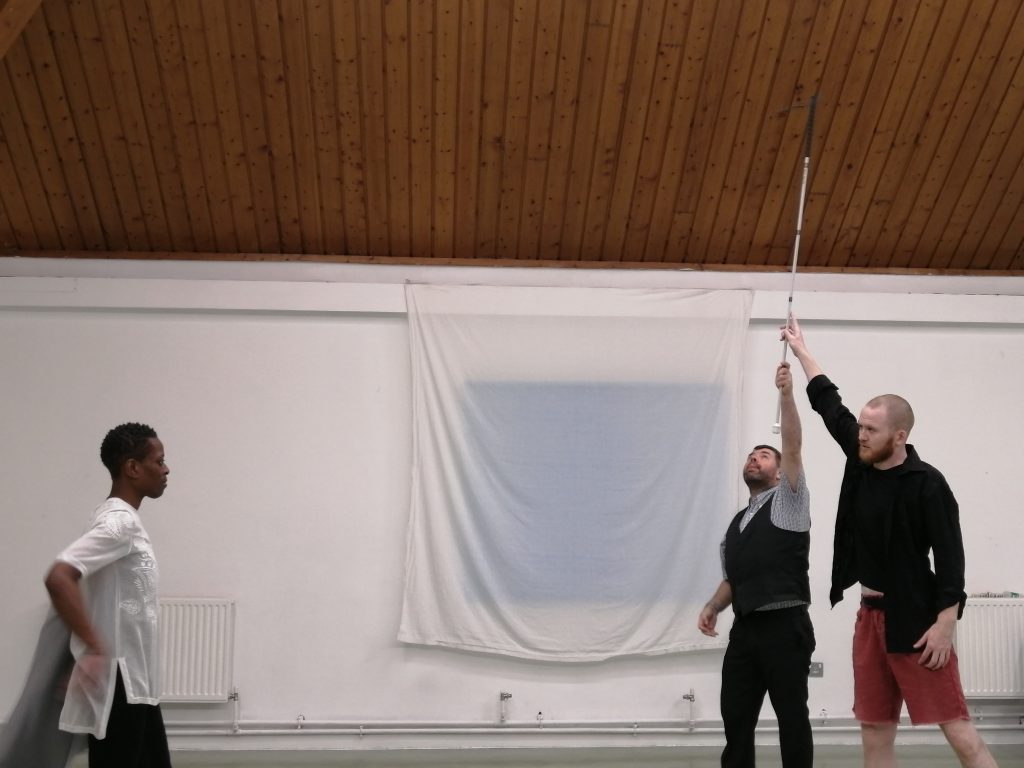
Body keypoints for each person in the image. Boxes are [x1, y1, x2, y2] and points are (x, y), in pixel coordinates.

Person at [782, 317, 997, 768]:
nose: (860, 435)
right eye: (860, 427)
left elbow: (952, 563)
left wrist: (944, 625)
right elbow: (828, 403)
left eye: (871, 430)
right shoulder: (860, 459)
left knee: (958, 730)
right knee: (875, 733)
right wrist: (802, 352)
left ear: (899, 436)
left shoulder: (927, 485)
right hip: (871, 620)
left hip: (918, 624)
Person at [699, 361, 815, 768]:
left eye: (764, 455)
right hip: (745, 631)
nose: (754, 458)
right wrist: (714, 606)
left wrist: (786, 394)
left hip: (785, 627)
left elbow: (794, 445)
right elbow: (734, 578)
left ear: (781, 473)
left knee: (791, 719)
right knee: (736, 718)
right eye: (751, 455)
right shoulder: (735, 524)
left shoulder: (788, 504)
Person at [43, 422, 173, 768]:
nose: (166, 469)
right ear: (132, 467)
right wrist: (95, 648)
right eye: (159, 461)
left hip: (138, 684)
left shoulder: (117, 519)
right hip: (121, 684)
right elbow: (60, 577)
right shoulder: (119, 523)